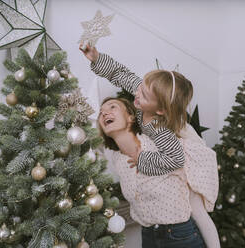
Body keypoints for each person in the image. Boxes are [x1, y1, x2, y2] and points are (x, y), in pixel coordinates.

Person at [98, 97, 220, 248]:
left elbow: (198, 210)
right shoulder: (118, 159)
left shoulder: (159, 142)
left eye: (112, 107)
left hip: (181, 237)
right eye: (101, 112)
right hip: (148, 237)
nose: (104, 113)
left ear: (131, 117)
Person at [80, 43, 193, 177]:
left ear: (160, 110)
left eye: (144, 96)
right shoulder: (142, 89)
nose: (137, 93)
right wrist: (97, 58)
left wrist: (142, 160)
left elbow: (176, 159)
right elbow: (121, 74)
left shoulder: (160, 130)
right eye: (141, 87)